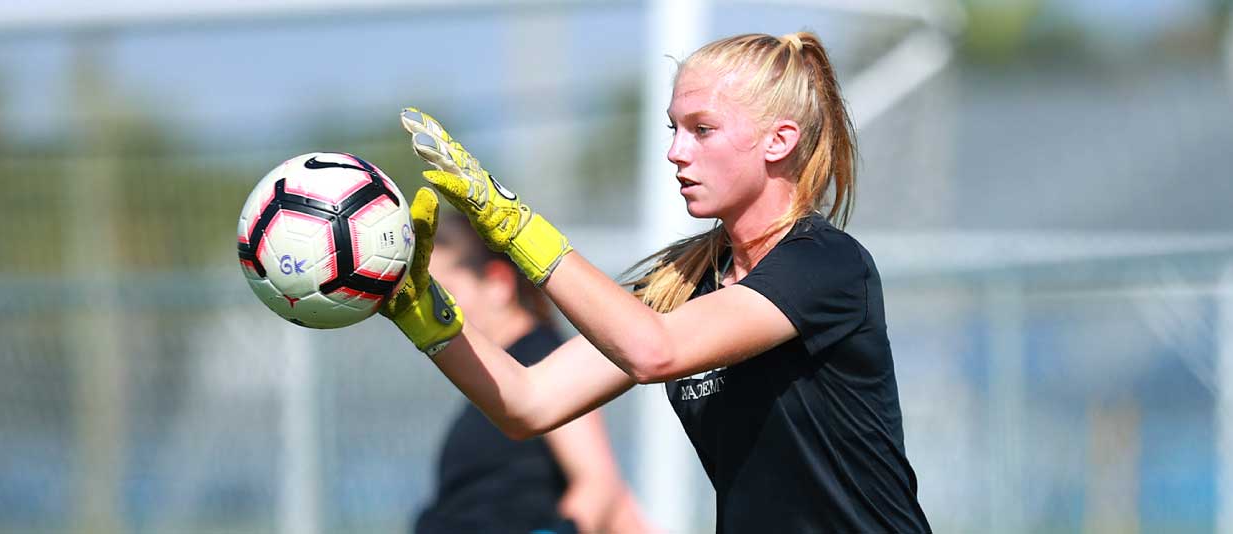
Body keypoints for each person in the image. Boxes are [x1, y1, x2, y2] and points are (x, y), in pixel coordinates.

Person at [380, 31, 931, 532]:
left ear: (778, 141)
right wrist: (419, 305)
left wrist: (514, 227)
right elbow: (530, 403)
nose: (675, 151)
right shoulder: (683, 281)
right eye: (674, 128)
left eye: (702, 129)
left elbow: (655, 351)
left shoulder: (824, 264)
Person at [414, 219, 650, 534]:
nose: (433, 311)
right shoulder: (506, 372)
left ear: (498, 284)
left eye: (445, 294)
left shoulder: (541, 361)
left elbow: (599, 482)